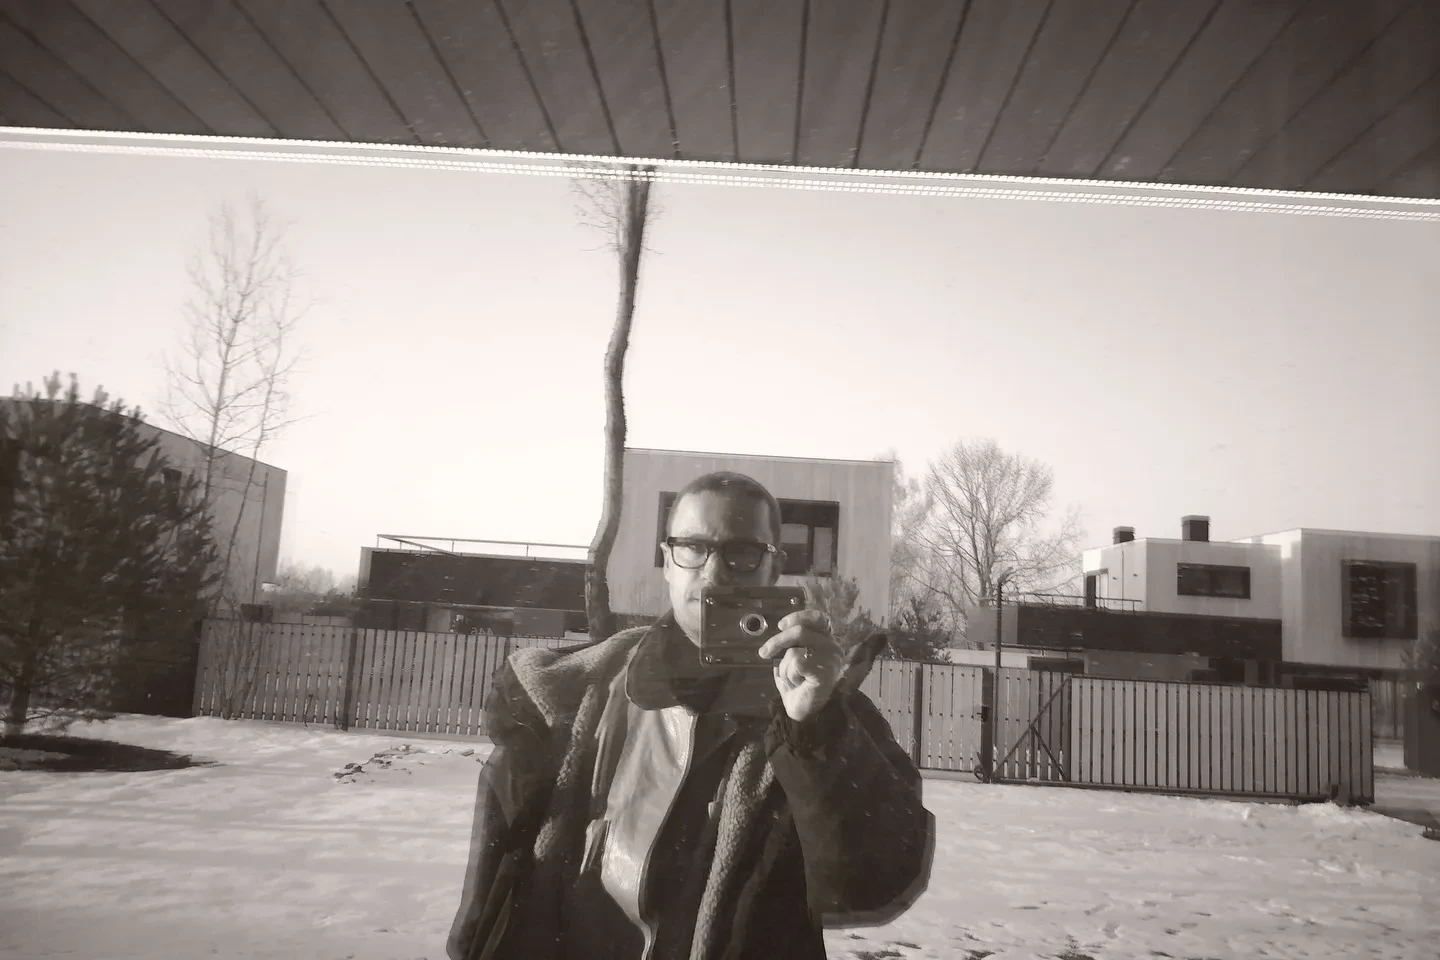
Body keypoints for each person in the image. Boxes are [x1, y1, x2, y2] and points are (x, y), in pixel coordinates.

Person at [447, 472, 934, 960]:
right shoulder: (576, 696)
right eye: (693, 548)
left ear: (774, 566)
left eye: (742, 552)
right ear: (667, 560)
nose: (714, 573)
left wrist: (815, 731)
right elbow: (492, 899)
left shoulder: (828, 713)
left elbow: (874, 885)